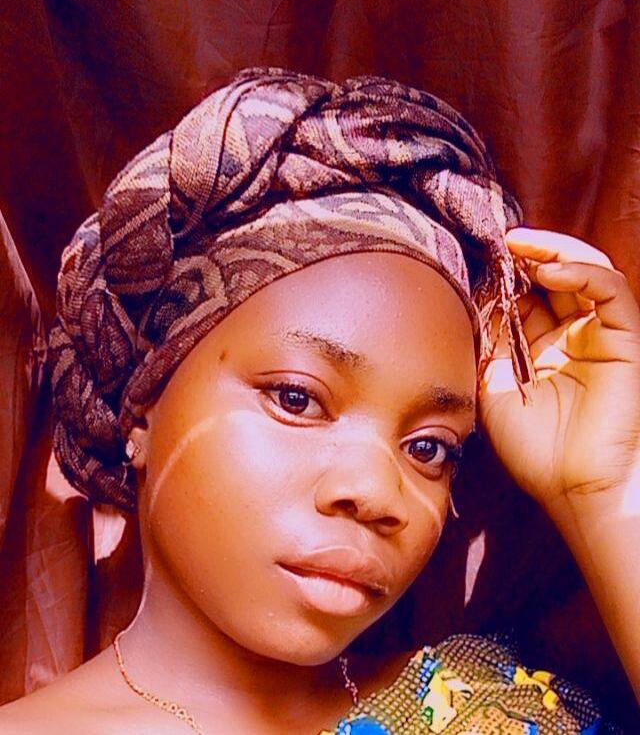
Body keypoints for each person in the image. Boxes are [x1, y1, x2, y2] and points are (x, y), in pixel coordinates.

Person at [0, 67, 638, 734]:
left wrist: (605, 485)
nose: (376, 493)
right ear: (142, 406)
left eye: (429, 448)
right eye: (297, 399)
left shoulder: (487, 707)